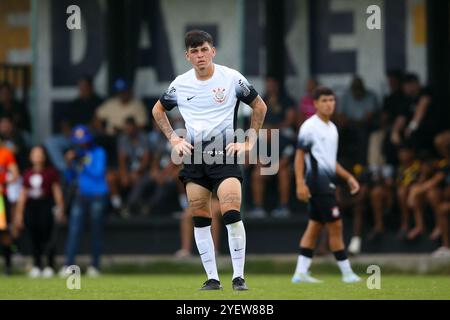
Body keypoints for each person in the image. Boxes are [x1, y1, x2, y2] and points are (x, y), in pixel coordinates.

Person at [152, 30, 267, 290]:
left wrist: (249, 141)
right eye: (194, 51)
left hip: (224, 152)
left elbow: (260, 106)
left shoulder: (232, 78)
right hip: (194, 156)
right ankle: (212, 278)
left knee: (231, 212)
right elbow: (158, 110)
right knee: (200, 216)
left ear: (212, 51)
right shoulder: (180, 83)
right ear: (187, 56)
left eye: (204, 49)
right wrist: (173, 138)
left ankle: (239, 277)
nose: (200, 55)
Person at [292, 86, 361, 283]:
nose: (329, 104)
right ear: (315, 104)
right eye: (324, 100)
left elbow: (331, 161)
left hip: (327, 182)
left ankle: (300, 272)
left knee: (314, 226)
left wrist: (348, 177)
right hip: (317, 184)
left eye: (331, 100)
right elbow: (299, 157)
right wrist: (299, 183)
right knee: (336, 225)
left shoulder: (333, 129)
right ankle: (347, 273)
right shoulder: (309, 127)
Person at [60, 125, 108, 277]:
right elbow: (70, 178)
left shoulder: (99, 152)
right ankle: (68, 265)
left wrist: (81, 161)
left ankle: (95, 266)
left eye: (83, 140)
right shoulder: (77, 154)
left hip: (98, 195)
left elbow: (98, 172)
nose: (80, 143)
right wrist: (69, 164)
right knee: (74, 231)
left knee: (96, 231)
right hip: (81, 196)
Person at [12, 146, 65, 278]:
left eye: (40, 154)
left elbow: (56, 191)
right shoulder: (27, 173)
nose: (37, 156)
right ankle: (37, 265)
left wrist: (60, 207)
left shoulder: (51, 172)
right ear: (30, 157)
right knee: (34, 237)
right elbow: (23, 194)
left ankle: (50, 265)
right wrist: (19, 214)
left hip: (45, 205)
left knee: (47, 236)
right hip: (31, 207)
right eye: (34, 154)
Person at [248, 77, 296, 218]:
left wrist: (273, 128)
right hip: (267, 159)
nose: (270, 87)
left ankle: (283, 207)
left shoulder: (287, 100)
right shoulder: (261, 100)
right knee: (256, 174)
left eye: (273, 84)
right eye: (268, 84)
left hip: (282, 160)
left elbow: (290, 120)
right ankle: (258, 208)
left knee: (284, 172)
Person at [0, 141, 20, 275]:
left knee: (4, 231)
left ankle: (8, 266)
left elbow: (15, 174)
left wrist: (4, 183)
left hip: (1, 198)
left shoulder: (5, 153)